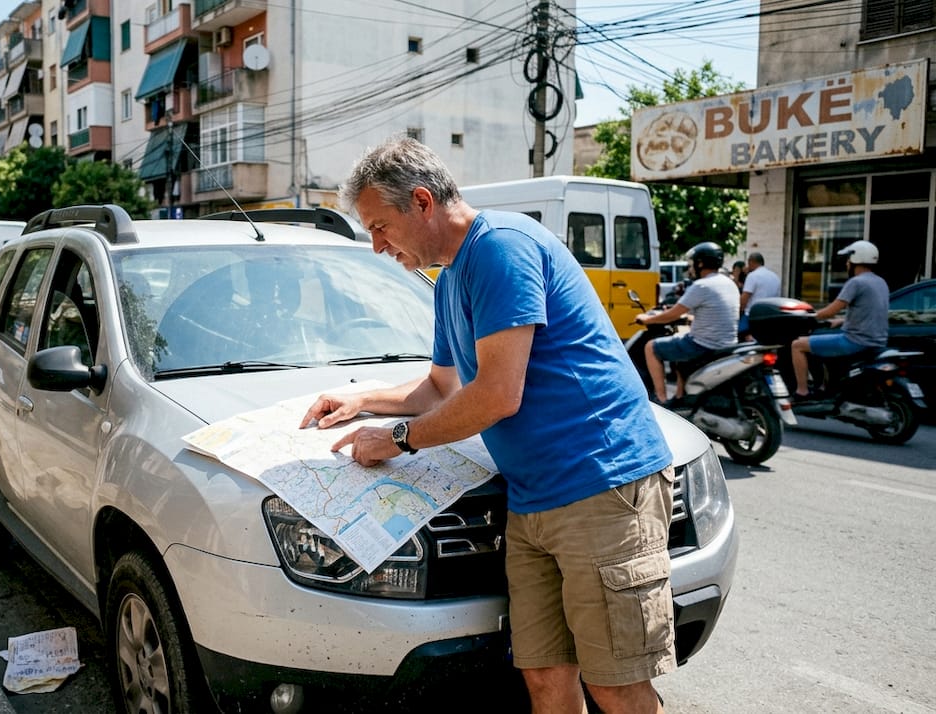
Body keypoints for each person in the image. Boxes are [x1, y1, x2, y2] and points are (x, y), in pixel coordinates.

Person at [299, 137, 675, 713]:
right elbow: (444, 387)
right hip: (532, 501)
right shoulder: (450, 278)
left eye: (379, 227)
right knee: (546, 676)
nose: (376, 246)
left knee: (615, 683)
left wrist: (397, 439)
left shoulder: (501, 248)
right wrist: (361, 400)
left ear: (422, 202)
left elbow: (498, 394)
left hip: (601, 487)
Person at [636, 242, 739, 404]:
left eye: (692, 265)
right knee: (678, 344)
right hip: (727, 343)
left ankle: (660, 400)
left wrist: (647, 319)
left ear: (701, 263)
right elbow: (712, 312)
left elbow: (672, 314)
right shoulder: (729, 283)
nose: (690, 269)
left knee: (651, 347)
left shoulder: (702, 285)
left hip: (704, 345)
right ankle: (680, 396)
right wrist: (689, 318)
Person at [791, 240, 889, 399]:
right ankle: (825, 386)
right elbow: (870, 312)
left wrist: (809, 316)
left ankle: (802, 391)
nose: (846, 263)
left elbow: (831, 310)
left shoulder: (856, 282)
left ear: (856, 260)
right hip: (877, 341)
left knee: (797, 345)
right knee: (819, 341)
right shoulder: (880, 282)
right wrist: (842, 320)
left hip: (855, 341)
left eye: (848, 259)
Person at [738, 252, 781, 339]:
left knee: (740, 333)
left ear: (751, 262)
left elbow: (744, 299)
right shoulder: (775, 276)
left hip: (752, 316)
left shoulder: (752, 276)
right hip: (770, 316)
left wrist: (738, 311)